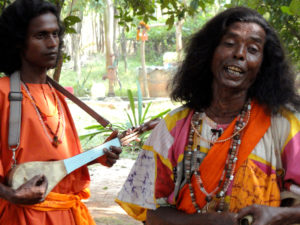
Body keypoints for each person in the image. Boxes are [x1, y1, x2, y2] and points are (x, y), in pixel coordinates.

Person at [116, 6, 300, 225]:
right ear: (209, 51)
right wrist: (202, 222)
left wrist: (279, 215)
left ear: (263, 64)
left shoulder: (283, 125)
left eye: (252, 49)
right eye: (230, 43)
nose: (239, 53)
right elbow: (147, 211)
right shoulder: (174, 127)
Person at [0, 0, 122, 224]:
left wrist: (97, 157)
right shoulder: (3, 93)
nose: (52, 43)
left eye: (56, 34)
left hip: (69, 215)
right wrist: (11, 194)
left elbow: (57, 164)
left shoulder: (56, 95)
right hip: (22, 217)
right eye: (41, 36)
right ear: (18, 42)